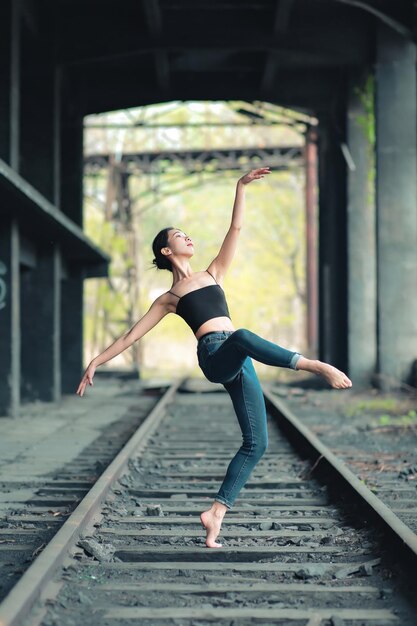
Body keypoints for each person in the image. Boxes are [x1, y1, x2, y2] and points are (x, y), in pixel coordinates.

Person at [76, 167, 352, 548]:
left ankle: (216, 514)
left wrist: (241, 187)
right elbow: (129, 335)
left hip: (241, 357)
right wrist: (95, 362)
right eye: (178, 236)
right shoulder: (169, 298)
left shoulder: (213, 273)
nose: (187, 236)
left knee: (257, 442)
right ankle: (314, 365)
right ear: (166, 251)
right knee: (240, 335)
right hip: (216, 354)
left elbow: (234, 230)